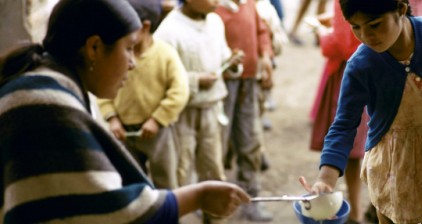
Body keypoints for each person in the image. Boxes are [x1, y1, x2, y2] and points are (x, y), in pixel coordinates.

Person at [0, 0, 250, 223]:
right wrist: (198, 196)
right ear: (94, 48)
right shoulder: (47, 107)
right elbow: (109, 212)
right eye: (128, 48)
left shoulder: (43, 86)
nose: (133, 63)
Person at [300, 0, 422, 223]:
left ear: (401, 9)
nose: (366, 36)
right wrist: (326, 179)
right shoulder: (361, 65)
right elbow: (343, 125)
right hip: (394, 161)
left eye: (374, 25)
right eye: (356, 27)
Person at [153, 0, 244, 222]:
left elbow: (222, 56)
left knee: (213, 166)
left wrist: (231, 64)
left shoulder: (215, 22)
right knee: (181, 170)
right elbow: (162, 77)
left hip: (212, 108)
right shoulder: (169, 30)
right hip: (182, 112)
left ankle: (213, 217)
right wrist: (194, 80)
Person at [97, 0, 189, 190]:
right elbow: (103, 87)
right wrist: (112, 118)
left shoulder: (165, 54)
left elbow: (180, 91)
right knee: (131, 181)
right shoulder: (116, 54)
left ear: (144, 26)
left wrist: (157, 120)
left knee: (166, 181)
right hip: (123, 132)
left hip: (158, 132)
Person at [307, 1, 369, 223]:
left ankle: (356, 212)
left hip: (349, 73)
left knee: (351, 148)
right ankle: (360, 209)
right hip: (365, 72)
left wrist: (322, 33)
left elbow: (343, 45)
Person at [215, 0, 275, 222]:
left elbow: (261, 32)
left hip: (248, 83)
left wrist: (266, 56)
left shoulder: (248, 3)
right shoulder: (213, 8)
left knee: (250, 140)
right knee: (216, 145)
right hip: (221, 87)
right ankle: (213, 202)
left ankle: (251, 199)